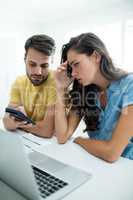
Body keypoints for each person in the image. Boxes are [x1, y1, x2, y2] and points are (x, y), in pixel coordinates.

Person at [54, 32, 133, 162]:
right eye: (70, 67)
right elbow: (62, 136)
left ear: (96, 56)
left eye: (76, 64)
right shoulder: (84, 92)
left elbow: (111, 153)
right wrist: (59, 89)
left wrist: (79, 140)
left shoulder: (129, 85)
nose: (73, 73)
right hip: (97, 164)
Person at [3, 34, 56, 138]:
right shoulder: (19, 82)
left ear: (52, 62)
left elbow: (47, 131)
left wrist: (18, 125)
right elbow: (7, 117)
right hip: (27, 140)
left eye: (44, 66)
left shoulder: (57, 82)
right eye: (32, 64)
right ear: (24, 60)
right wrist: (8, 121)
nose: (38, 72)